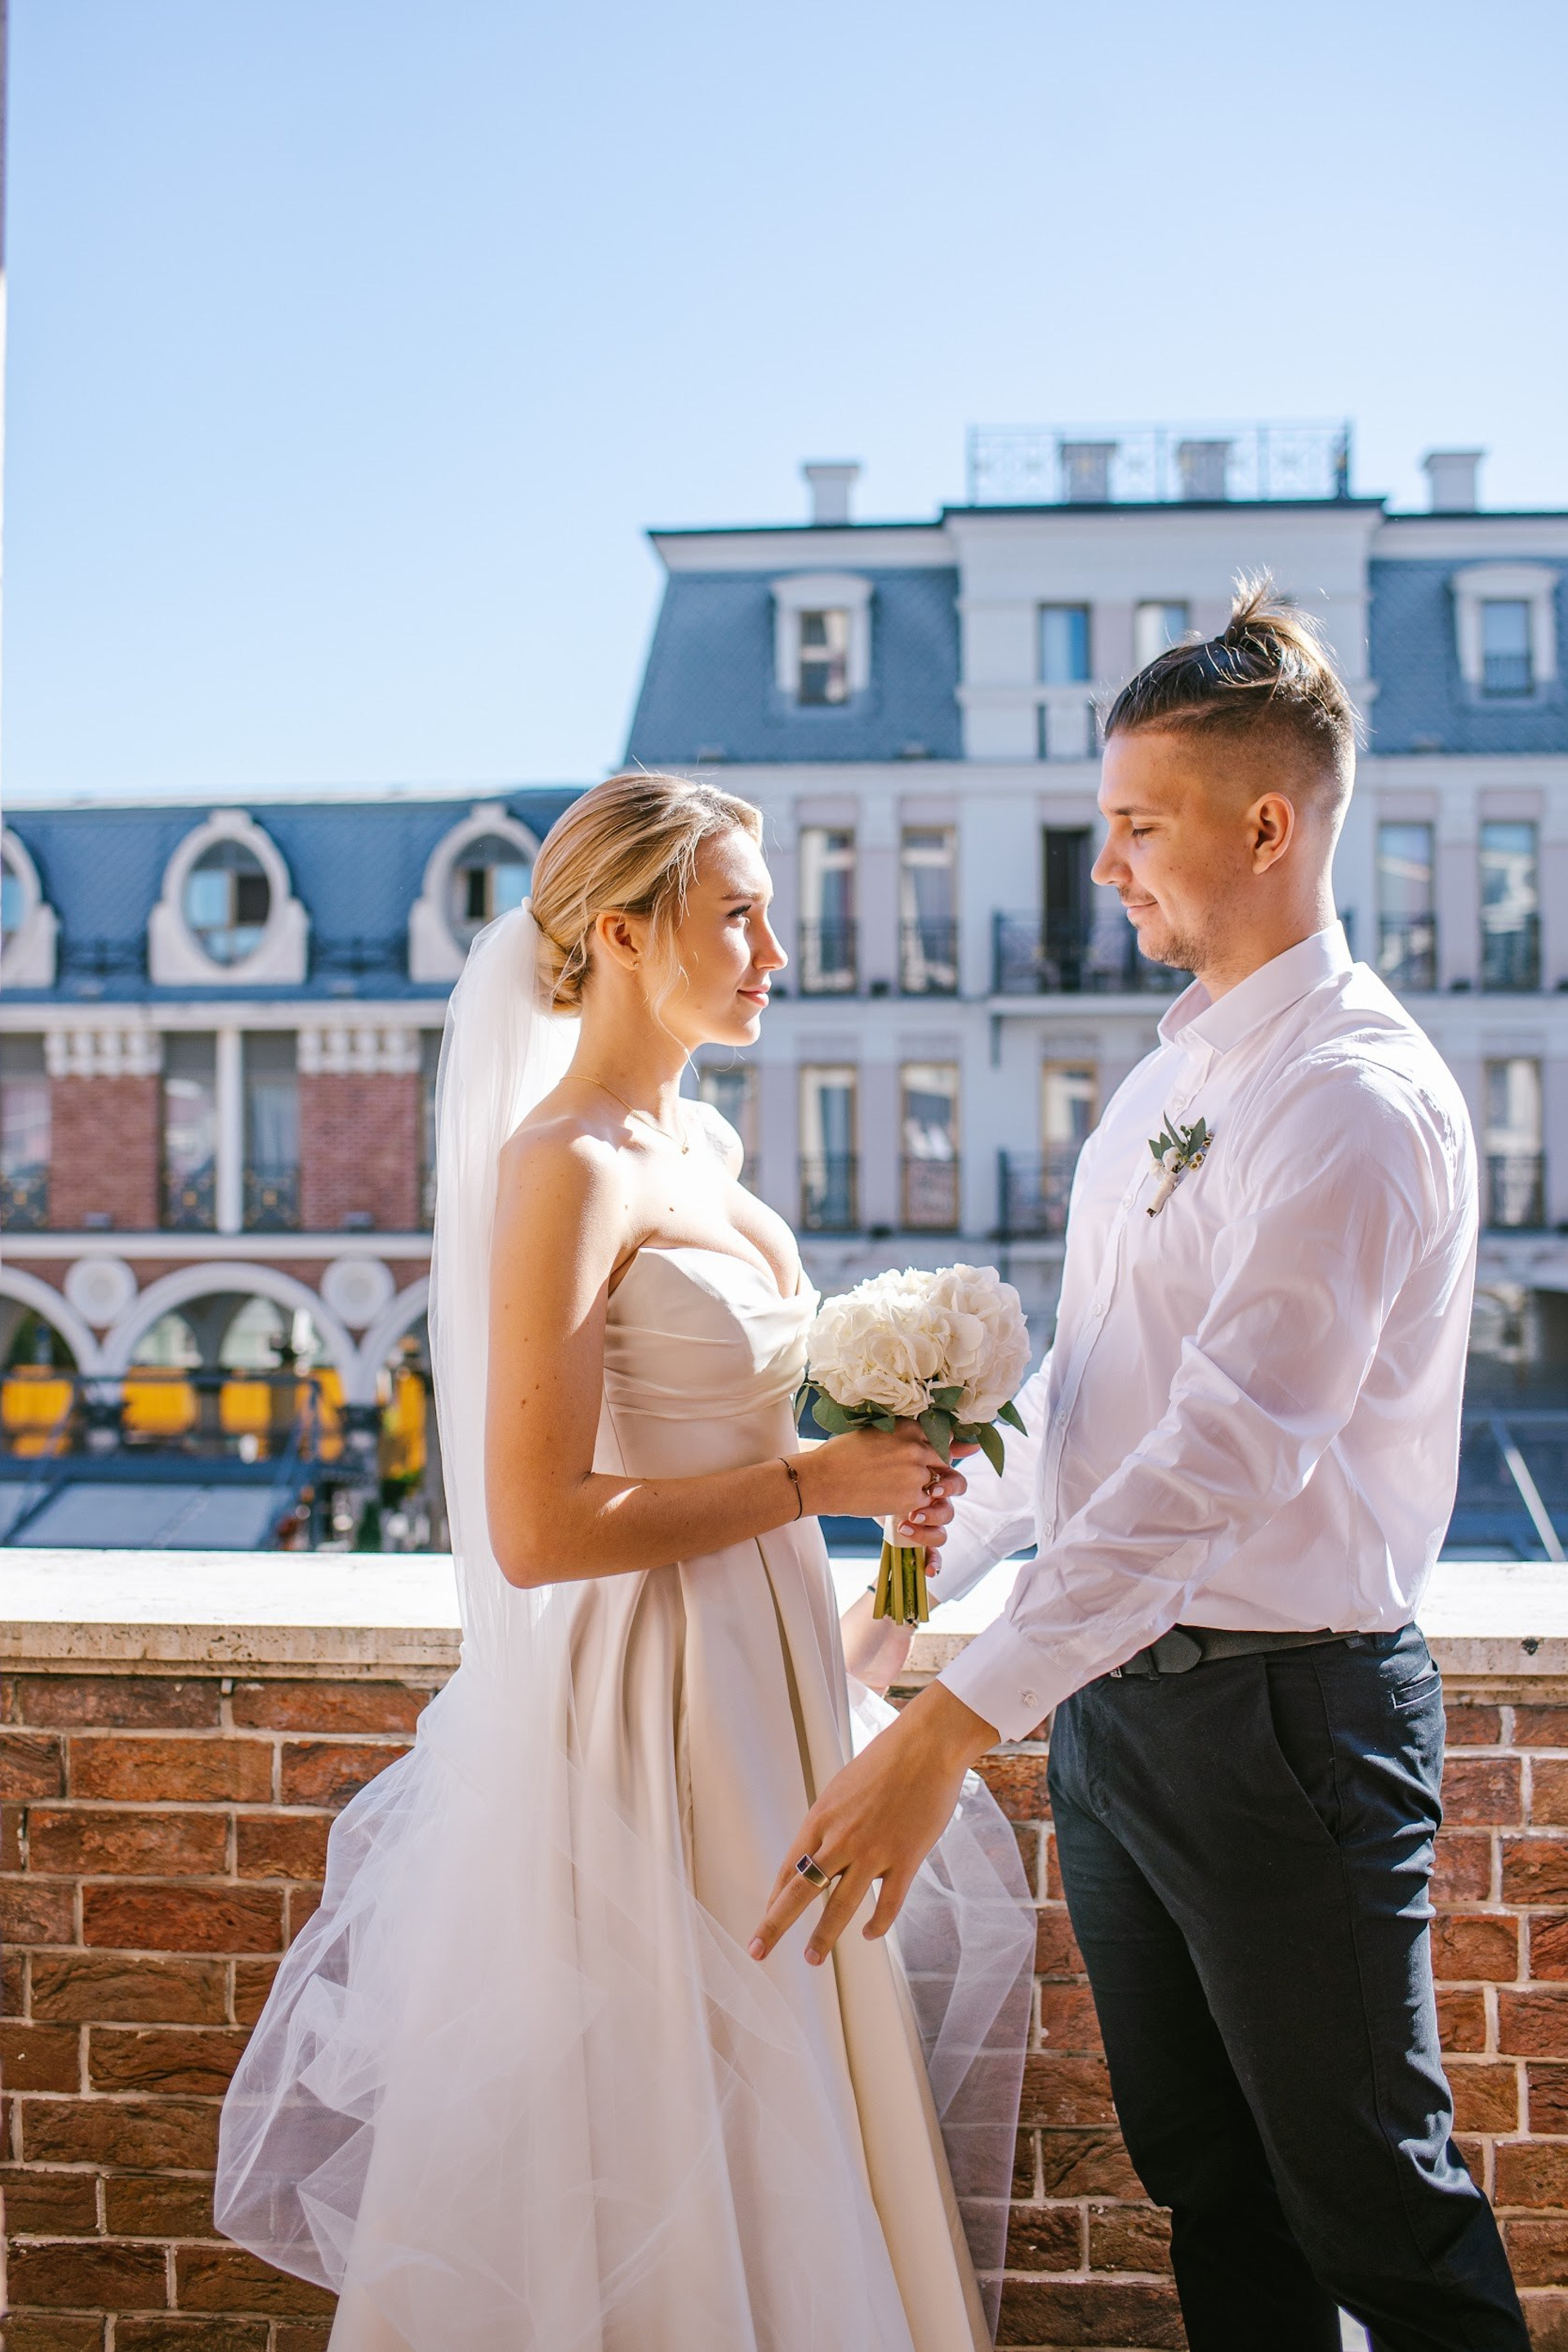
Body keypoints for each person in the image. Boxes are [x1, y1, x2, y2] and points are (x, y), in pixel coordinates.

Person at [752, 583, 1530, 2350]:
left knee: (1374, 2202)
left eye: (1136, 825)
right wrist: (902, 1596)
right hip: (1118, 1711)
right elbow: (1089, 1414)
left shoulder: (1350, 1100)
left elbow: (1223, 1456)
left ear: (1265, 827)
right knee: (1208, 2182)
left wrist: (952, 1727)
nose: (1104, 866)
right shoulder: (1171, 1080)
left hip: (1285, 1726)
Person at [215, 771, 1035, 2352]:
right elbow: (534, 1529)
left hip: (771, 1684)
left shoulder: (703, 1155)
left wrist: (882, 1537)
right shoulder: (566, 1165)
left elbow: (752, 1482)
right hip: (651, 1713)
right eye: (739, 916)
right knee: (660, 2094)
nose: (775, 952)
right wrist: (814, 1478)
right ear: (623, 932)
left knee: (789, 2084)